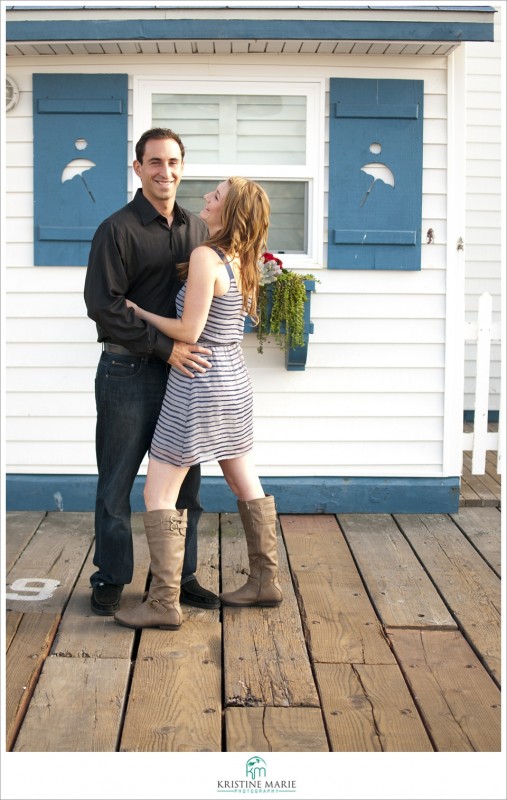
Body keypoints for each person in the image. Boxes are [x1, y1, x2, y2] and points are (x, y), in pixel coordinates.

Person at [113, 177, 283, 631]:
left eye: (216, 196)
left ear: (229, 212)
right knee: (244, 477)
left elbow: (189, 332)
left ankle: (164, 602)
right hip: (233, 381)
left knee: (158, 491)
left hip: (199, 385)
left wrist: (138, 312)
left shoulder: (207, 256)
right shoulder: (240, 258)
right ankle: (266, 580)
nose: (206, 198)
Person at [84, 127, 220, 616]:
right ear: (138, 168)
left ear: (182, 167)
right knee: (117, 482)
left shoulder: (199, 231)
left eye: (174, 161)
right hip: (127, 373)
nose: (166, 171)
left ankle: (177, 580)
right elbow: (104, 306)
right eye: (155, 162)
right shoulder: (115, 230)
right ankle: (112, 577)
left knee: (187, 485)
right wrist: (165, 348)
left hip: (184, 377)